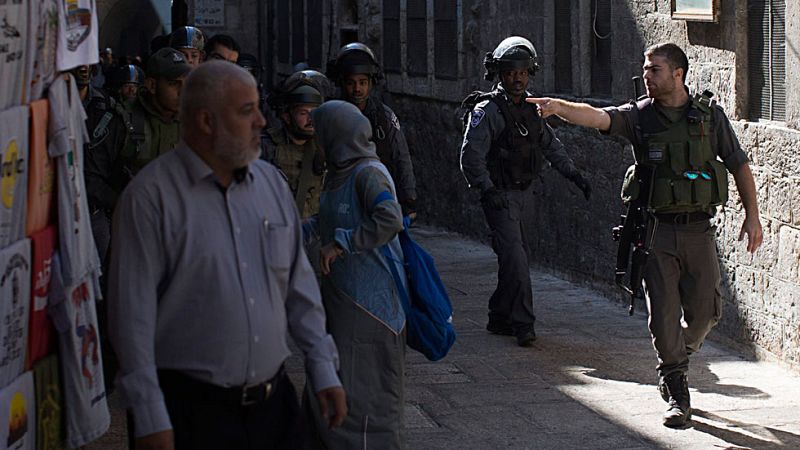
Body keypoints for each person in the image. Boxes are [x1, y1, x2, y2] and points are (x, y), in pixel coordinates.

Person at [108, 61, 347, 450]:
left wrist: (323, 368)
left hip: (274, 407)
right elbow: (130, 316)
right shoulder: (150, 198)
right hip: (189, 413)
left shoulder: (269, 184)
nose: (262, 123)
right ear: (206, 121)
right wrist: (149, 413)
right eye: (246, 111)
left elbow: (298, 286)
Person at [527, 42, 763, 428]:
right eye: (645, 68)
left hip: (699, 231)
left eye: (654, 69)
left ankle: (676, 357)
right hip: (656, 233)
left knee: (707, 313)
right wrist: (558, 107)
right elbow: (598, 117)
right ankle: (675, 387)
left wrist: (753, 217)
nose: (646, 75)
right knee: (664, 315)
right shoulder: (639, 117)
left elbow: (739, 164)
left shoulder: (708, 117)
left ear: (677, 74)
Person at [459, 36, 591, 347]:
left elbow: (550, 146)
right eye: (510, 73)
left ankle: (499, 315)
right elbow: (470, 156)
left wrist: (574, 174)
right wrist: (487, 189)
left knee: (514, 259)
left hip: (525, 194)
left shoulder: (535, 110)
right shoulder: (487, 110)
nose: (517, 79)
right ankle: (523, 324)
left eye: (522, 73)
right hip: (499, 195)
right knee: (516, 259)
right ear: (500, 75)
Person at [304, 100, 406, 449]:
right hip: (342, 302)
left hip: (369, 309)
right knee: (330, 389)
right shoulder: (338, 173)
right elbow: (329, 220)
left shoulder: (369, 173)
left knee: (363, 404)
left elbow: (389, 219)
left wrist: (342, 244)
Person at [85, 46, 190, 217]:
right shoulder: (122, 120)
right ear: (152, 85)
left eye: (187, 83)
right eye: (174, 84)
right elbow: (91, 177)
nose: (182, 91)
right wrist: (125, 205)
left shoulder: (192, 122)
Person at [328, 43, 418, 218]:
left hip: (376, 198)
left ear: (371, 83)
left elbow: (401, 157)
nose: (357, 89)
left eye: (362, 83)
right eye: (351, 83)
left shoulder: (383, 117)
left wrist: (409, 200)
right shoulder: (331, 115)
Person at [263, 72, 326, 218]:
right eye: (303, 113)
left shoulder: (324, 148)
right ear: (287, 116)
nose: (311, 119)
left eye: (314, 112)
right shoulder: (267, 147)